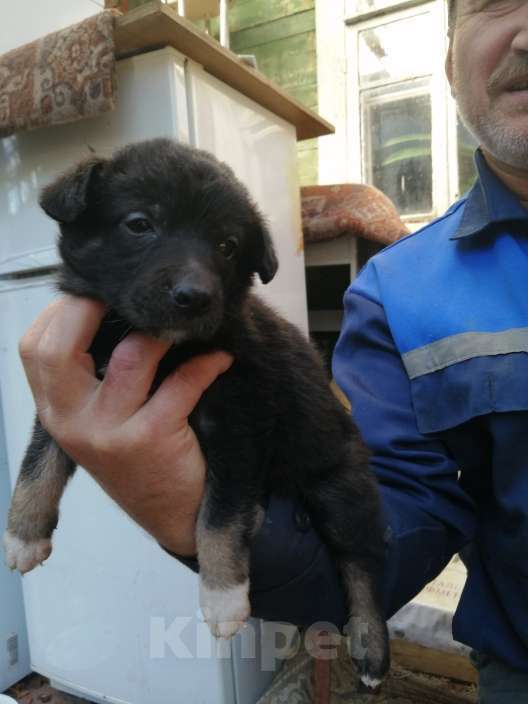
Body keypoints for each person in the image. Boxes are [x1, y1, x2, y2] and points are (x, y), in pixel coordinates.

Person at [17, 0, 528, 700]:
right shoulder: (397, 291)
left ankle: (362, 610)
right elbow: (404, 503)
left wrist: (219, 543)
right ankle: (362, 604)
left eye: (223, 251)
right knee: (348, 522)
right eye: (497, 1)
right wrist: (180, 515)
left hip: (298, 462)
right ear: (450, 58)